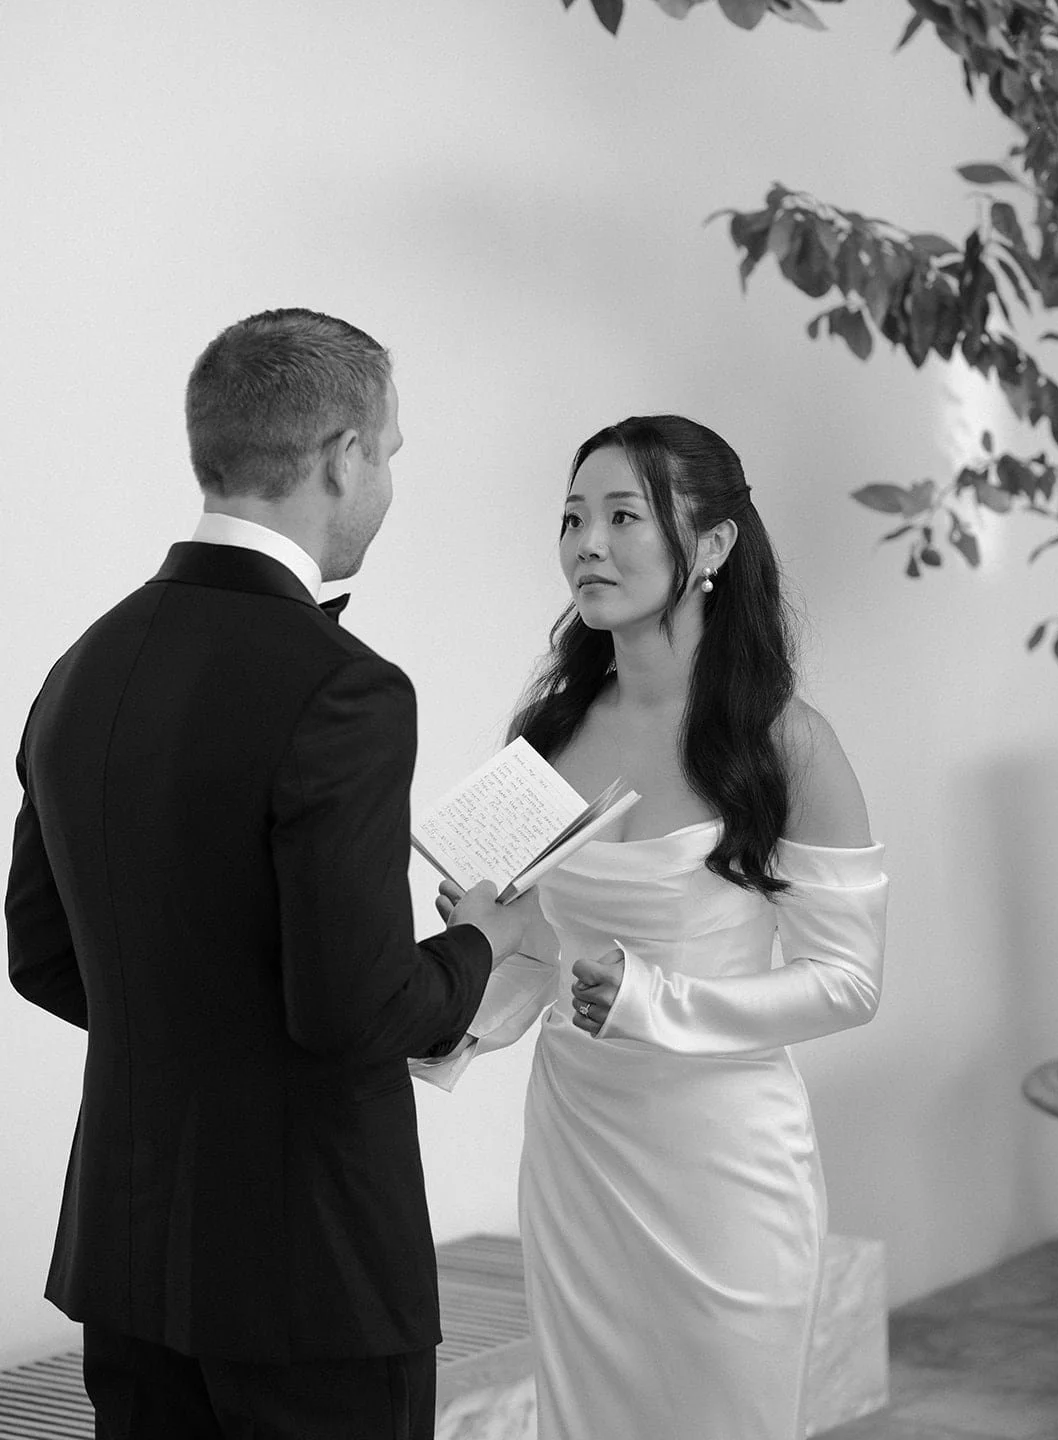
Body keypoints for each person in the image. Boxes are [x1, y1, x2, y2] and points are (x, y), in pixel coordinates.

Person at [4, 307, 534, 1440]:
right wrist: (479, 941)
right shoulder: (342, 685)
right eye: (389, 451)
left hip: (132, 1266)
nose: (387, 479)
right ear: (343, 456)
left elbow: (43, 956)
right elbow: (354, 1006)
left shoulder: (81, 668)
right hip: (311, 1276)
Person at [414, 414, 888, 1440]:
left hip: (722, 1162)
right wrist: (477, 947)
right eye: (572, 518)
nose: (587, 543)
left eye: (622, 515)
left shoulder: (785, 742)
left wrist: (650, 997)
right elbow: (541, 960)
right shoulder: (545, 735)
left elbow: (848, 978)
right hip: (576, 1149)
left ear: (710, 544)